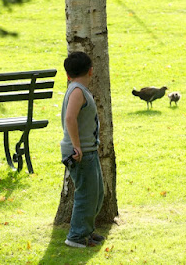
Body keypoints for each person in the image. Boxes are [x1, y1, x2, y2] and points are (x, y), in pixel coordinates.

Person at [60, 51, 105, 248]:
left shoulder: (76, 88)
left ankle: (87, 230)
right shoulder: (77, 91)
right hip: (80, 152)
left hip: (88, 149)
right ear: (91, 70)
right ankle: (76, 237)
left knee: (96, 193)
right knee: (86, 194)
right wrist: (77, 146)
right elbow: (70, 118)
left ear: (68, 74)